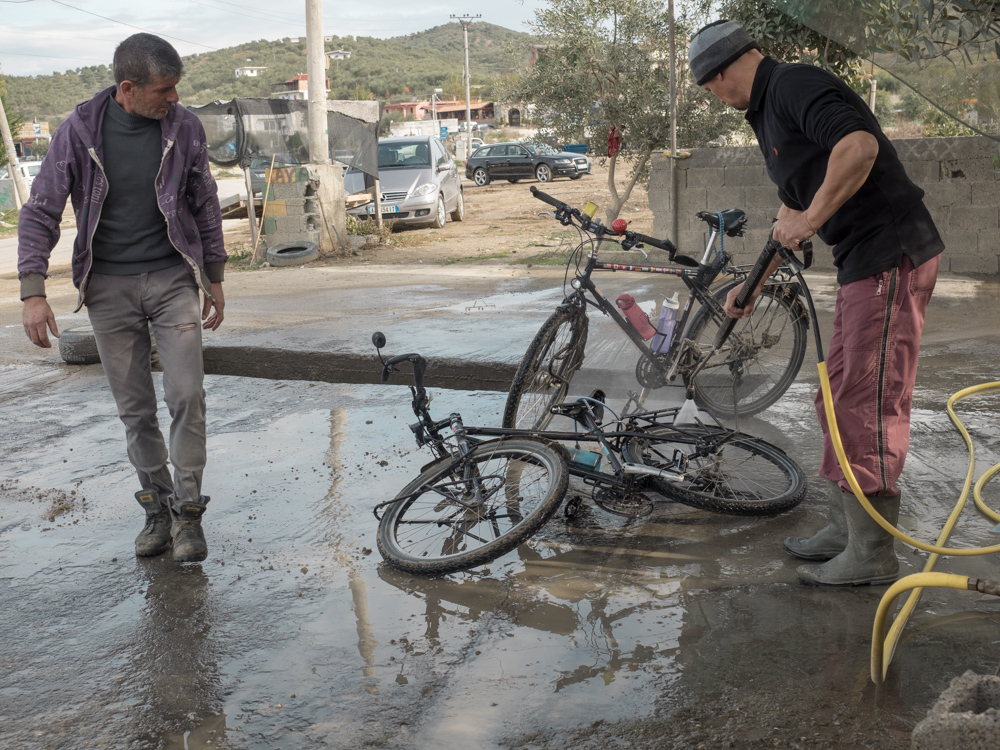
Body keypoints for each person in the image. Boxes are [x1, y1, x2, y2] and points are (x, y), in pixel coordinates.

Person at [689, 20, 944, 586]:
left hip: (890, 256)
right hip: (861, 263)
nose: (715, 97)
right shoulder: (767, 114)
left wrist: (811, 219)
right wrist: (750, 287)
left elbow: (859, 146)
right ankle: (845, 529)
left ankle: (874, 550)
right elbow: (788, 217)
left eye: (709, 87)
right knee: (834, 394)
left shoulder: (793, 85)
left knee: (867, 400)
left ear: (723, 70)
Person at [18, 33, 227, 563]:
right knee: (135, 411)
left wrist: (215, 276)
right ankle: (157, 510)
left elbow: (204, 201)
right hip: (108, 288)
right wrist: (32, 291)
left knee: (186, 398)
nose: (174, 99)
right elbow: (41, 209)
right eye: (166, 89)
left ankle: (189, 516)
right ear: (128, 88)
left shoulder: (184, 128)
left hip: (172, 281)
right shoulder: (78, 134)